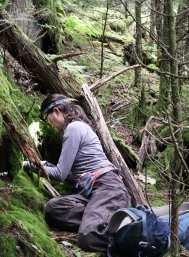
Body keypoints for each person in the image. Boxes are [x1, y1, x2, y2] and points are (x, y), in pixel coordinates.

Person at [23, 93, 131, 252]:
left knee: (88, 237)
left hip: (108, 187)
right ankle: (100, 220)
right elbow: (71, 175)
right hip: (93, 191)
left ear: (57, 111)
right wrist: (45, 165)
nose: (49, 124)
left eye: (47, 118)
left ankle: (128, 237)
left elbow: (60, 174)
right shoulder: (76, 127)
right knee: (53, 209)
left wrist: (33, 165)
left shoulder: (74, 127)